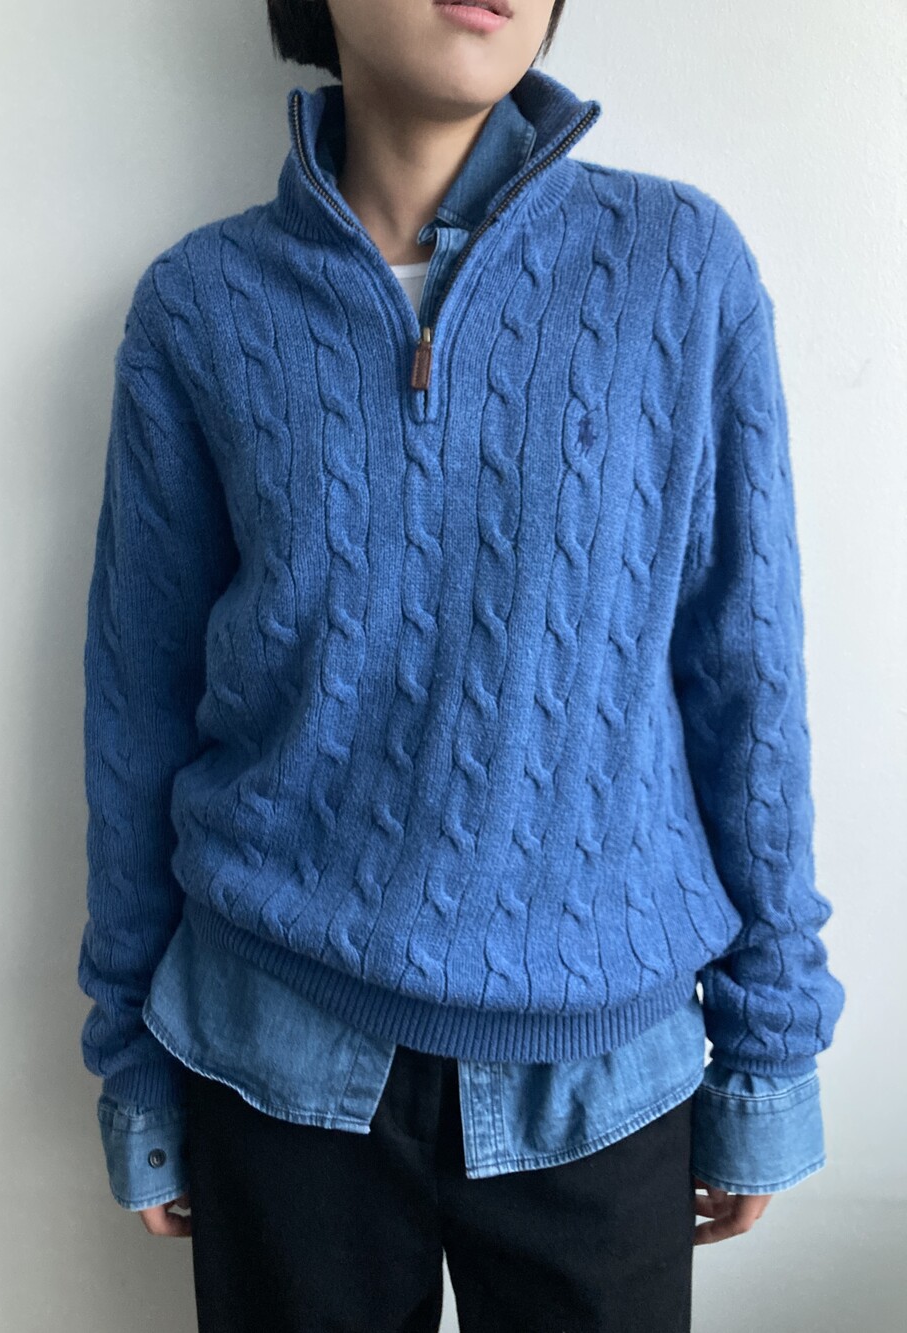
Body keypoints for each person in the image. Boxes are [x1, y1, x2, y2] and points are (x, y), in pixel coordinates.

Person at [77, 1, 846, 1328]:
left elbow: (747, 671)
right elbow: (136, 706)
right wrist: (132, 1060)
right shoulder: (201, 307)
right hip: (272, 1048)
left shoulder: (678, 268)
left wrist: (770, 1041)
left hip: (605, 1072)